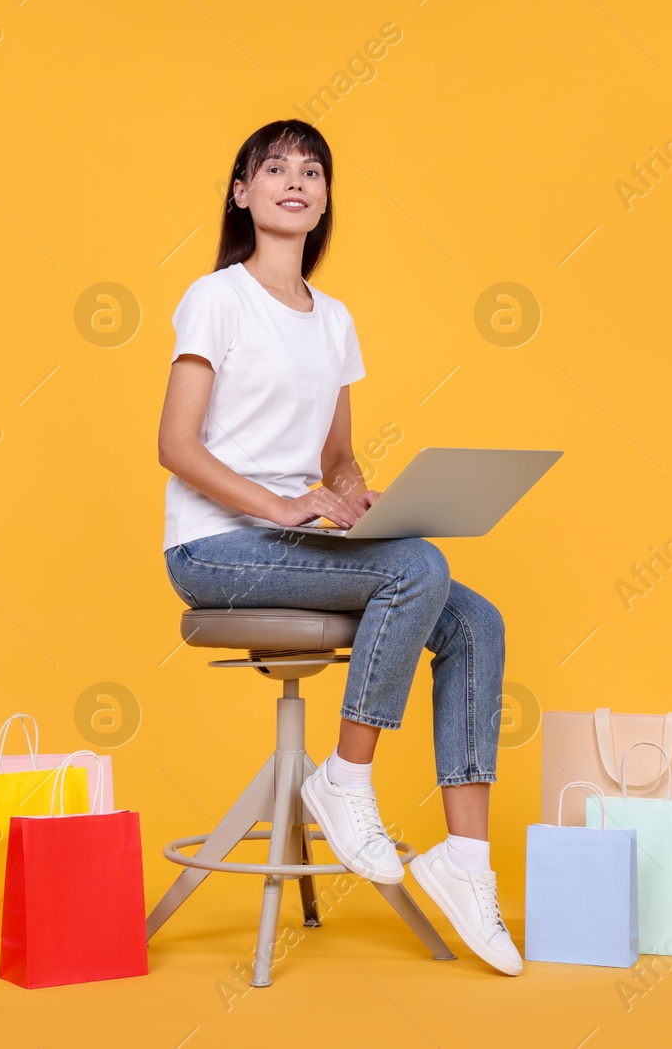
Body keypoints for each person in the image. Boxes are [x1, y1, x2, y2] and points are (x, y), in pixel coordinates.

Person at [156, 120, 520, 976]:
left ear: (325, 200)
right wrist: (282, 505)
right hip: (216, 548)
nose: (294, 180)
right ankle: (345, 781)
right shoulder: (216, 296)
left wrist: (362, 498)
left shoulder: (337, 320)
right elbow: (176, 445)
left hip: (295, 541)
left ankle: (467, 865)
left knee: (476, 620)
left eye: (311, 170)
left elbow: (337, 461)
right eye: (273, 167)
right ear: (241, 193)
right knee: (418, 568)